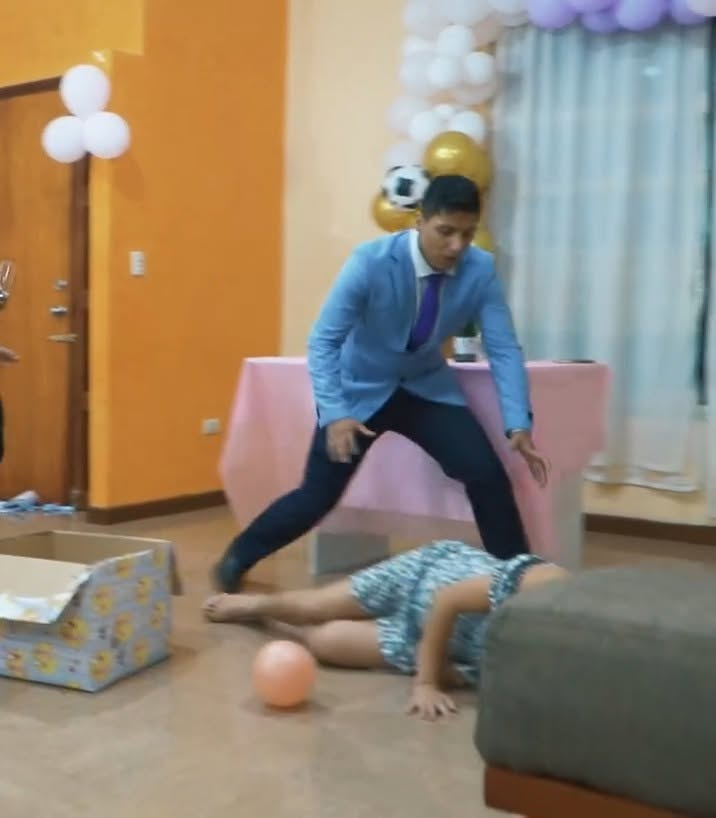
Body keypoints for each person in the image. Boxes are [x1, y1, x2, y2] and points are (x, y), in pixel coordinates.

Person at [213, 174, 548, 592]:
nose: (456, 246)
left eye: (467, 233)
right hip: (359, 392)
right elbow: (324, 341)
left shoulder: (479, 269)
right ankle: (239, 555)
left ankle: (517, 586)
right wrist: (335, 414)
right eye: (445, 231)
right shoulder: (370, 262)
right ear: (419, 222)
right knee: (318, 495)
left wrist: (518, 423)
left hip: (426, 387)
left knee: (487, 476)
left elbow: (503, 349)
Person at [204, 540, 569, 720]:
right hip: (425, 576)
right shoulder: (550, 585)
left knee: (326, 643)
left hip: (425, 639)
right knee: (314, 607)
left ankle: (278, 621)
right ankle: (255, 606)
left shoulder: (562, 667)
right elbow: (448, 600)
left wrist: (449, 673)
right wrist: (426, 683)